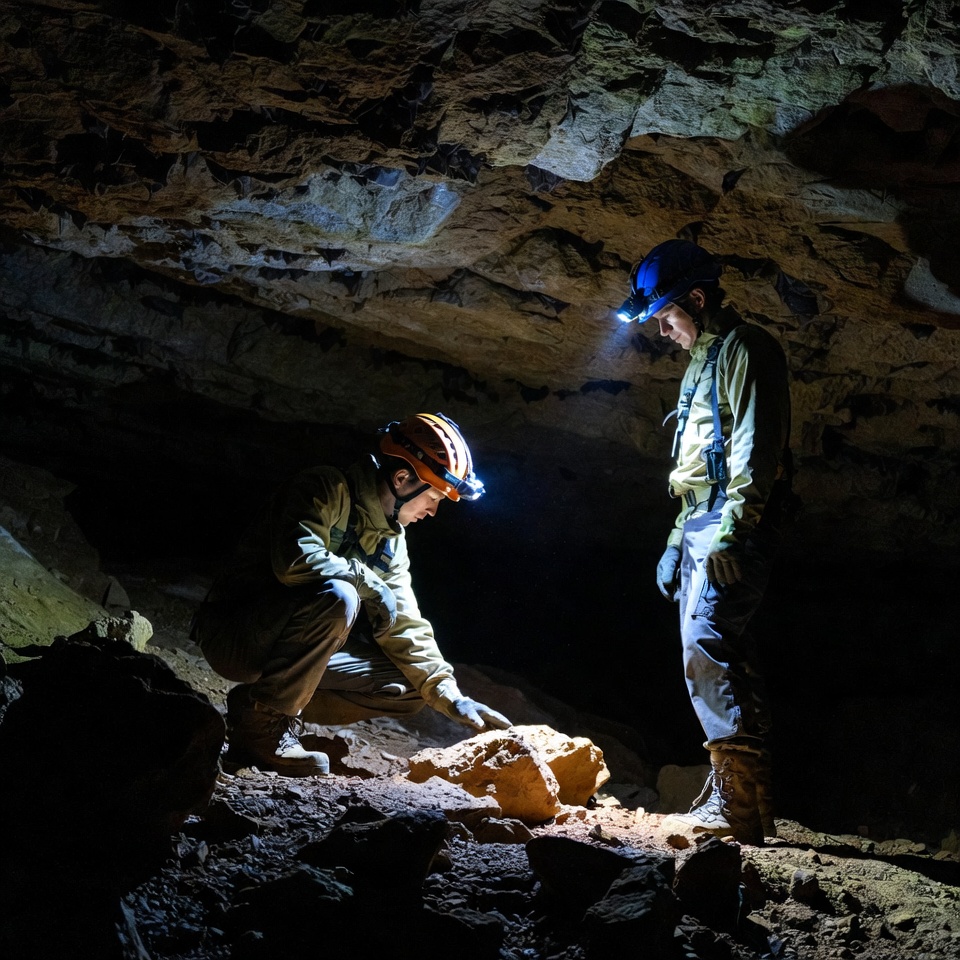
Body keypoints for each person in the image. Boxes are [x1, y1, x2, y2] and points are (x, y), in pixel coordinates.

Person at [192, 412, 511, 777]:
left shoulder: (391, 543)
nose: (433, 511)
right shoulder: (325, 488)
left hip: (287, 647)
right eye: (434, 496)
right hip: (236, 635)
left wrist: (450, 694)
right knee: (341, 595)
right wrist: (367, 581)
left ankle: (256, 708)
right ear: (402, 479)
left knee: (412, 688)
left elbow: (405, 625)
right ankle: (264, 730)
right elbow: (294, 561)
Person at [616, 239, 793, 845]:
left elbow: (755, 450)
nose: (663, 331)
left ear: (696, 298)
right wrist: (677, 537)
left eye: (667, 316)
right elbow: (699, 464)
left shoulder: (747, 348)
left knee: (708, 647)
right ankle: (750, 810)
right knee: (720, 653)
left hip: (728, 521)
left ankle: (734, 807)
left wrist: (733, 534)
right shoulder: (703, 359)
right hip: (701, 520)